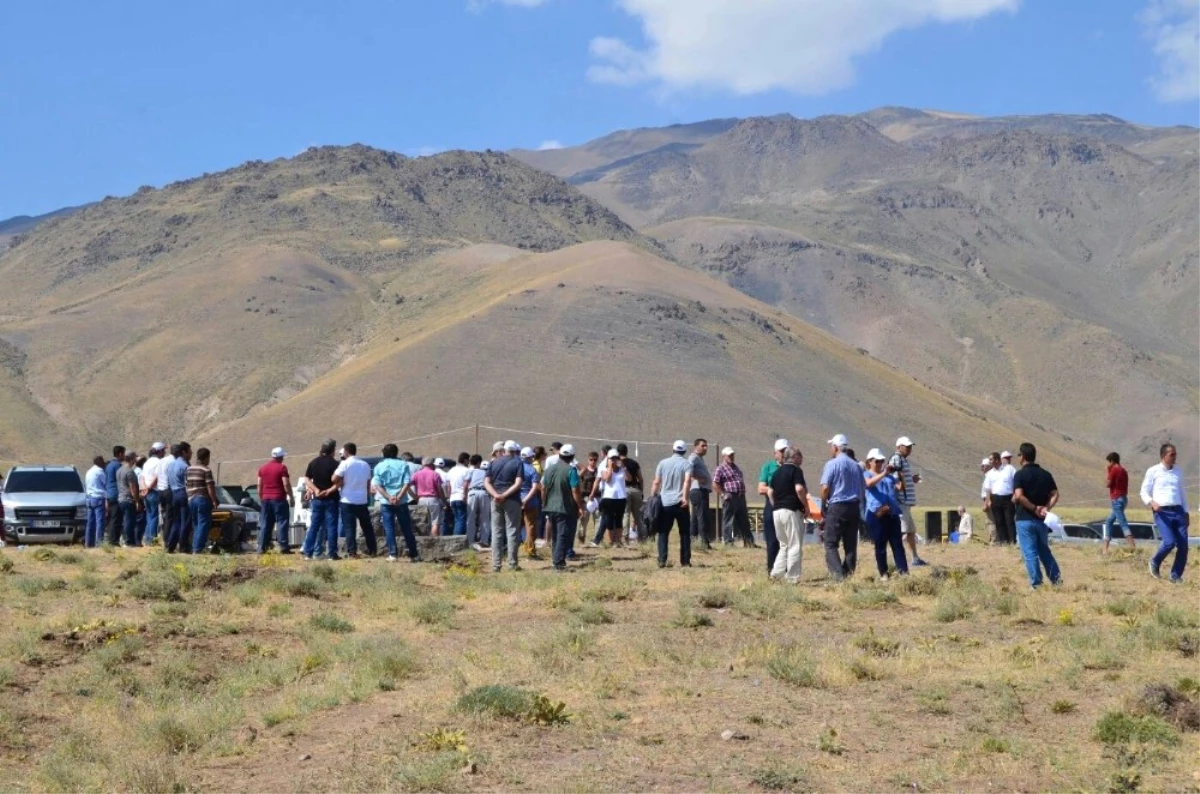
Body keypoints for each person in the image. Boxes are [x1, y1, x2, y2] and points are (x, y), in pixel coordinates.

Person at [1011, 442, 1062, 589]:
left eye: (1019, 454)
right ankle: (1056, 580)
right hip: (1041, 521)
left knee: (1030, 552)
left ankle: (1037, 585)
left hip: (1025, 519)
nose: (1018, 457)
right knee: (1044, 551)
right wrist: (1045, 508)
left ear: (1024, 456)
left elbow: (1019, 496)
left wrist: (1034, 508)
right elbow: (1055, 494)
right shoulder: (1046, 474)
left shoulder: (1020, 475)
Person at [1140, 443, 1189, 583]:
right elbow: (1144, 491)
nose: (1174, 457)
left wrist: (1186, 512)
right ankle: (1155, 562)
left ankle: (1176, 575)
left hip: (1178, 510)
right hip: (1162, 511)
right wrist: (1152, 502)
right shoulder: (1153, 471)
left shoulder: (1178, 471)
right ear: (1163, 455)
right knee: (1169, 542)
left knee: (1183, 545)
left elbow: (1182, 492)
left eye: (1175, 454)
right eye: (1171, 454)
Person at [819, 434, 863, 581]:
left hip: (837, 505)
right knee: (850, 544)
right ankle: (848, 573)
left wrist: (823, 503)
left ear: (836, 447)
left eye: (831, 446)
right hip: (854, 506)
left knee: (830, 543)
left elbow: (825, 488)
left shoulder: (832, 464)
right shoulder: (856, 466)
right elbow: (861, 488)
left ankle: (838, 576)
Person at [372, 443, 421, 562]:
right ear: (396, 453)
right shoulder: (403, 464)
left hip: (386, 501)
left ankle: (393, 554)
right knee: (406, 528)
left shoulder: (379, 466)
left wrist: (389, 497)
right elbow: (407, 483)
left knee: (389, 528)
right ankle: (414, 554)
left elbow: (377, 485)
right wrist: (399, 496)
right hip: (402, 501)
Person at [864, 449, 908, 578]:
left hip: (892, 513)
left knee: (897, 544)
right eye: (877, 461)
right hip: (877, 514)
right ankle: (883, 573)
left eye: (882, 461)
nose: (880, 463)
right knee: (880, 545)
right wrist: (884, 473)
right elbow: (868, 484)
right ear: (870, 462)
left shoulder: (888, 477)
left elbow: (899, 488)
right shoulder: (867, 474)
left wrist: (901, 477)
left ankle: (903, 572)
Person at [768, 446, 809, 583]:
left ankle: (776, 573)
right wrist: (806, 506)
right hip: (791, 510)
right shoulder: (796, 470)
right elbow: (799, 489)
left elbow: (770, 492)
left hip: (777, 512)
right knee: (795, 544)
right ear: (795, 457)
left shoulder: (777, 472)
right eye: (801, 456)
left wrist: (776, 505)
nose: (802, 459)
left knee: (784, 545)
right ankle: (792, 577)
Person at [651, 440, 694, 568]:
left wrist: (653, 496)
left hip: (665, 502)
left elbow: (657, 482)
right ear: (684, 451)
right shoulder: (687, 464)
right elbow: (687, 481)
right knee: (685, 533)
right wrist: (685, 498)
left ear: (673, 449)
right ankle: (685, 561)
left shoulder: (663, 463)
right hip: (681, 502)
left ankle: (662, 559)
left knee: (663, 532)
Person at [485, 441, 525, 572]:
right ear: (515, 451)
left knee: (496, 532)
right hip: (512, 499)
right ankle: (512, 564)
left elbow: (486, 482)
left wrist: (496, 495)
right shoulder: (518, 462)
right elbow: (518, 483)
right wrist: (505, 495)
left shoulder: (493, 462)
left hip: (495, 500)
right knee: (512, 531)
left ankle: (496, 565)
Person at [543, 444, 583, 571]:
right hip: (565, 507)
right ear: (572, 456)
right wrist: (580, 506)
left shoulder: (549, 469)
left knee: (555, 534)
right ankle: (559, 563)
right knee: (562, 534)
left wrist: (544, 502)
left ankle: (556, 559)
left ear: (559, 455)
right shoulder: (571, 470)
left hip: (550, 506)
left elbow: (543, 487)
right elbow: (575, 490)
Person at [333, 443, 376, 558]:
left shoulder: (345, 464)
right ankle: (372, 549)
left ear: (346, 452)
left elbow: (334, 478)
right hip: (362, 500)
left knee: (349, 527)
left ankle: (352, 552)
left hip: (347, 499)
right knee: (367, 526)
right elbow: (368, 483)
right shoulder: (365, 465)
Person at [889, 437, 926, 566]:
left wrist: (911, 479)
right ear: (899, 447)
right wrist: (900, 487)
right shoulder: (896, 459)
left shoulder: (903, 460)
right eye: (907, 446)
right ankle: (897, 560)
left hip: (906, 502)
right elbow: (894, 479)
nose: (909, 449)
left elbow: (901, 477)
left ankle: (915, 558)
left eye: (910, 447)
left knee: (910, 531)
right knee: (901, 532)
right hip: (901, 502)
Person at [302, 440, 341, 560]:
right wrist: (328, 491)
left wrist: (315, 489)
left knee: (314, 526)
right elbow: (339, 483)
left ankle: (307, 553)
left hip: (317, 499)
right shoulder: (335, 464)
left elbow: (306, 478)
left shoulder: (313, 462)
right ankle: (332, 554)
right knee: (331, 526)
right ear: (332, 451)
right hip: (331, 499)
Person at [713, 447, 755, 548]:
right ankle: (728, 542)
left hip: (740, 496)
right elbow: (715, 483)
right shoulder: (720, 469)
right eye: (729, 455)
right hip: (730, 496)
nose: (731, 457)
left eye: (732, 455)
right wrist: (723, 494)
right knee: (728, 520)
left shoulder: (736, 468)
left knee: (744, 520)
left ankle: (749, 542)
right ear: (724, 456)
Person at [758, 440, 788, 573]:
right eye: (781, 451)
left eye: (785, 451)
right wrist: (776, 490)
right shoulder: (768, 467)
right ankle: (772, 570)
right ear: (775, 453)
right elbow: (761, 488)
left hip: (788, 507)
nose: (783, 454)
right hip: (772, 505)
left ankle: (786, 570)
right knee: (772, 541)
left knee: (787, 541)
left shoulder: (792, 468)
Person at [257, 447, 294, 554]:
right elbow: (286, 484)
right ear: (281, 456)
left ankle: (262, 547)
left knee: (265, 523)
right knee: (282, 522)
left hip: (266, 499)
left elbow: (259, 485)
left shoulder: (262, 468)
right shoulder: (282, 468)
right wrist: (291, 497)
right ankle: (283, 547)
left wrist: (262, 498)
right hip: (279, 499)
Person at [592, 449, 627, 547]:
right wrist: (610, 467)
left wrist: (624, 467)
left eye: (616, 458)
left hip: (621, 497)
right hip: (609, 497)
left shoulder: (622, 469)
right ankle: (611, 541)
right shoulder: (604, 469)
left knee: (619, 519)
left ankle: (618, 541)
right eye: (612, 458)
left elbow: (629, 478)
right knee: (609, 520)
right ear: (608, 459)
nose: (614, 460)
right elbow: (607, 479)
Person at [186, 447, 218, 555]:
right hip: (202, 499)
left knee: (196, 525)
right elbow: (210, 487)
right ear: (206, 457)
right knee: (203, 524)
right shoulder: (206, 470)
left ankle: (195, 547)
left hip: (191, 499)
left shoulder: (189, 469)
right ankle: (198, 549)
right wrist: (214, 500)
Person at [1103, 452, 1135, 554]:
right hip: (1123, 498)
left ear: (1111, 461)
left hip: (1116, 499)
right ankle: (1105, 549)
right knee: (1109, 521)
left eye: (1109, 462)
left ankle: (1132, 547)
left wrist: (1108, 471)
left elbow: (1107, 484)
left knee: (1122, 522)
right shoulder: (1123, 470)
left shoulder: (1114, 470)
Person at [983, 451, 1017, 545]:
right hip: (996, 498)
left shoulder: (1009, 469)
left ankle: (1013, 541)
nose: (989, 461)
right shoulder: (989, 474)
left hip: (1008, 498)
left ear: (997, 460)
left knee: (1009, 520)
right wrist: (988, 501)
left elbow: (1017, 481)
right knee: (999, 521)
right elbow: (987, 488)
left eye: (991, 459)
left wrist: (1015, 494)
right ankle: (1003, 541)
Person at [165, 443, 191, 553]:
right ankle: (183, 546)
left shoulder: (170, 465)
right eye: (189, 452)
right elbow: (188, 483)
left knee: (176, 521)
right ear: (184, 452)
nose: (190, 454)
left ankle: (171, 545)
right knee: (185, 521)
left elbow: (168, 481)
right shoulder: (185, 466)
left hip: (173, 493)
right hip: (183, 493)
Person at [688, 439, 713, 550]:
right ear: (696, 446)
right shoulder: (693, 457)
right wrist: (697, 478)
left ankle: (693, 539)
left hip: (701, 490)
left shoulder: (700, 459)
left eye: (706, 446)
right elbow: (687, 468)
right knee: (702, 516)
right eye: (703, 446)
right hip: (698, 490)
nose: (705, 448)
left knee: (695, 517)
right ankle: (703, 542)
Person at [519, 447, 544, 557]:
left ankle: (512, 549)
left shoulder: (516, 468)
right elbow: (536, 487)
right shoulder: (531, 470)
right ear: (530, 457)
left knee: (515, 526)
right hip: (530, 501)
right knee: (530, 526)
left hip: (516, 500)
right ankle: (530, 551)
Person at [412, 458, 446, 538]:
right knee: (435, 522)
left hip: (421, 499)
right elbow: (439, 489)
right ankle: (435, 542)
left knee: (423, 522)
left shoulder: (417, 474)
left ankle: (425, 541)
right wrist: (443, 501)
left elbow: (407, 485)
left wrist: (414, 496)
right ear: (432, 464)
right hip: (433, 499)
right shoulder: (435, 474)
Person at [115, 451, 142, 547]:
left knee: (125, 520)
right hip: (128, 499)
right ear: (131, 459)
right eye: (135, 458)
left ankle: (124, 540)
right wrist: (137, 501)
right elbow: (132, 488)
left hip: (120, 498)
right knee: (129, 521)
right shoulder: (130, 471)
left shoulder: (119, 470)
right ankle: (129, 542)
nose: (135, 460)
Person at [140, 442, 165, 545]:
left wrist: (144, 488)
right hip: (154, 491)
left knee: (149, 515)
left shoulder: (146, 463)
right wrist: (149, 487)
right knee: (154, 515)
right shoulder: (159, 462)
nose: (164, 452)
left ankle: (147, 539)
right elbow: (157, 476)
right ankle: (152, 540)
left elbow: (142, 477)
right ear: (159, 451)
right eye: (163, 450)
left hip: (146, 491)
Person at [619, 443, 645, 542]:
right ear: (627, 452)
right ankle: (642, 537)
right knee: (638, 515)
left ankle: (625, 537)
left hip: (624, 490)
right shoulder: (634, 463)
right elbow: (641, 479)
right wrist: (641, 491)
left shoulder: (618, 464)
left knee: (626, 514)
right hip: (635, 489)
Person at [466, 455, 491, 551]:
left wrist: (465, 495)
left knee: (471, 518)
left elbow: (466, 483)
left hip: (472, 492)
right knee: (485, 518)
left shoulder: (471, 471)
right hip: (484, 492)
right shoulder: (486, 472)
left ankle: (470, 540)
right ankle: (484, 540)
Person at [104, 445, 126, 545]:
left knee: (112, 518)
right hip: (116, 494)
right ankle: (113, 541)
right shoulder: (117, 466)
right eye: (124, 454)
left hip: (109, 494)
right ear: (120, 454)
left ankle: (111, 539)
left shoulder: (109, 465)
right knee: (116, 519)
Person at [445, 452, 471, 537]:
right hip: (461, 496)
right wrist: (465, 495)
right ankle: (458, 538)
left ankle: (455, 537)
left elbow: (448, 486)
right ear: (465, 460)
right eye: (468, 461)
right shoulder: (466, 470)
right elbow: (466, 484)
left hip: (452, 497)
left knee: (457, 519)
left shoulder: (451, 471)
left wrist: (449, 497)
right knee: (462, 519)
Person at [84, 455, 107, 548]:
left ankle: (88, 543)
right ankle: (99, 544)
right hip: (98, 497)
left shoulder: (89, 471)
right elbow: (105, 483)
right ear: (100, 462)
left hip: (89, 498)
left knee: (90, 522)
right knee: (100, 522)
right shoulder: (100, 471)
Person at [578, 451, 599, 544]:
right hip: (585, 497)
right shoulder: (584, 471)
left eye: (595, 460)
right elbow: (578, 483)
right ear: (588, 460)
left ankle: (597, 539)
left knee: (598, 517)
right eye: (591, 460)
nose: (593, 462)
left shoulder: (599, 471)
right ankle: (581, 538)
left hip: (596, 497)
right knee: (584, 518)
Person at [156, 442, 175, 541]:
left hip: (160, 490)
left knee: (164, 515)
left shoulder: (162, 461)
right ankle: (167, 540)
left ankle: (164, 536)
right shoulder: (173, 462)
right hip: (168, 490)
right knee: (169, 517)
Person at [980, 458, 997, 543]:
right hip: (987, 501)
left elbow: (989, 491)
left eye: (984, 466)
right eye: (982, 466)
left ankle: (994, 540)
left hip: (989, 502)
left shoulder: (990, 476)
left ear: (989, 467)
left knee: (991, 522)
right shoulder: (988, 476)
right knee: (989, 522)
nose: (982, 468)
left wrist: (986, 503)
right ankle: (992, 538)